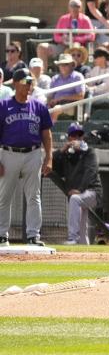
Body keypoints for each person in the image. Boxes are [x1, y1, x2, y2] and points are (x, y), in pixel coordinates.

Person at [0, 69, 54, 247]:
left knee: (34, 196)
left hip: (33, 153)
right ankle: (1, 235)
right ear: (15, 84)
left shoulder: (39, 106)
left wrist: (49, 158)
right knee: (4, 196)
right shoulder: (3, 106)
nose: (29, 85)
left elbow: (47, 134)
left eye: (30, 81)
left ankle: (33, 235)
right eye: (25, 81)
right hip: (8, 153)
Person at [53, 123, 102, 245]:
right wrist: (62, 150)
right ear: (69, 138)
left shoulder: (89, 152)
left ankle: (72, 238)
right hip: (80, 195)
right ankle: (83, 247)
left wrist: (80, 190)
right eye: (73, 135)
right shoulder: (67, 154)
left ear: (83, 137)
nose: (77, 138)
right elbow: (53, 165)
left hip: (92, 191)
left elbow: (90, 171)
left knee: (74, 199)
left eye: (79, 135)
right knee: (82, 227)